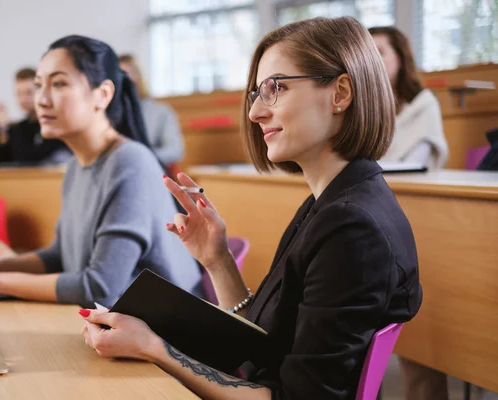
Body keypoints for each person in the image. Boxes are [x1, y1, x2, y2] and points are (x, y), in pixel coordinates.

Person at [78, 17, 423, 400]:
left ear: (340, 93)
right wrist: (218, 261)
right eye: (256, 93)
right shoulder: (331, 202)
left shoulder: (353, 227)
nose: (255, 112)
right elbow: (263, 349)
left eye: (275, 88)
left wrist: (154, 348)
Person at [0, 36, 204, 308]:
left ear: (103, 94)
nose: (42, 99)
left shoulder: (130, 162)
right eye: (38, 86)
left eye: (59, 84)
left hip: (170, 336)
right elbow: (59, 257)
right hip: (117, 328)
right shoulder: (76, 165)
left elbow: (101, 288)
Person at [369, 26, 449, 170]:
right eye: (367, 55)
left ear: (400, 58)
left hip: (411, 186)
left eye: (380, 52)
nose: (372, 61)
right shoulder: (358, 107)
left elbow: (414, 165)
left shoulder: (423, 104)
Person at [0, 67, 72, 166]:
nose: (23, 100)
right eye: (19, 94)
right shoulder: (18, 128)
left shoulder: (56, 125)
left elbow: (30, 161)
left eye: (28, 93)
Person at [119, 54, 185, 168]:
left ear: (137, 78)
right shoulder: (106, 112)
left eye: (126, 75)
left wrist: (142, 157)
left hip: (149, 168)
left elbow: (175, 150)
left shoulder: (160, 111)